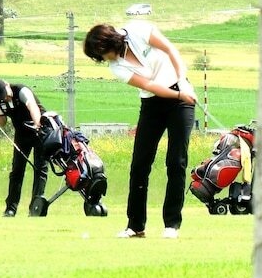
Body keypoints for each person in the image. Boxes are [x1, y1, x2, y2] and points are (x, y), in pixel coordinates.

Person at [84, 21, 196, 239]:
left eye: (101, 53)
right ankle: (136, 226)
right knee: (139, 165)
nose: (103, 58)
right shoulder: (116, 67)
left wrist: (182, 82)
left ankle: (172, 224)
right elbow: (149, 86)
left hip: (181, 99)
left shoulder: (138, 29)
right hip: (153, 103)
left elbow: (169, 49)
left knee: (176, 161)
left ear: (109, 43)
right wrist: (178, 94)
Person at [0, 79, 47, 217]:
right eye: (1, 97)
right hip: (21, 134)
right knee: (17, 170)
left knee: (40, 169)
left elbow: (33, 107)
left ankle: (35, 209)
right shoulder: (0, 100)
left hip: (40, 130)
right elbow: (2, 121)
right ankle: (11, 208)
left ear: (7, 85)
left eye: (5, 94)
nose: (5, 98)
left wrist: (38, 126)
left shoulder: (22, 91)